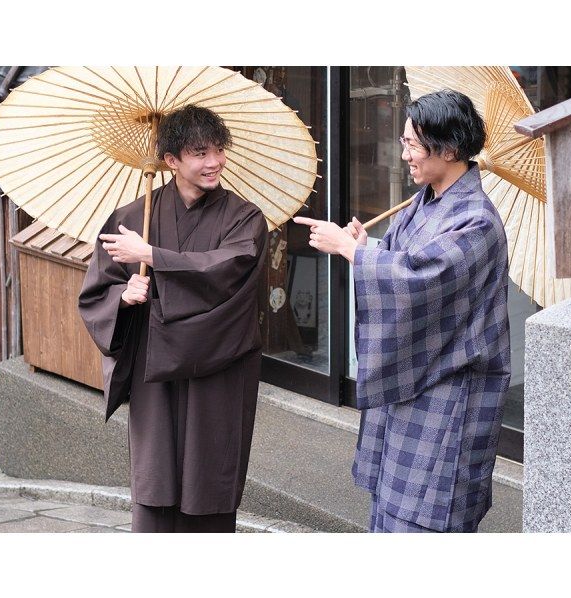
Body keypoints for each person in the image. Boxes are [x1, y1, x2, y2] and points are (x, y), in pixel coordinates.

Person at [294, 89, 510, 533]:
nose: (404, 153)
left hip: (449, 392)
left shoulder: (478, 221)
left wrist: (352, 253)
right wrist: (364, 245)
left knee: (428, 517)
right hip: (412, 380)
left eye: (413, 144)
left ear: (448, 149)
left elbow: (421, 278)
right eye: (404, 141)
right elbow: (401, 262)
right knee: (390, 510)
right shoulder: (423, 201)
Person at [78, 105, 268, 533]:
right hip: (155, 370)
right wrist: (124, 297)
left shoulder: (245, 218)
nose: (214, 161)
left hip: (218, 366)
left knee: (210, 472)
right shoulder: (131, 218)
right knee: (156, 475)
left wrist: (151, 256)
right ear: (171, 161)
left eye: (219, 150)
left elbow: (229, 268)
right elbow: (96, 292)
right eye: (200, 153)